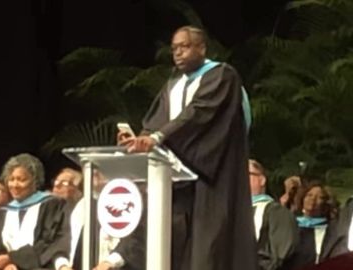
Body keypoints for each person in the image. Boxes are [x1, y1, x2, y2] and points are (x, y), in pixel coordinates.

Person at [118, 26, 257, 270]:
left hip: (211, 177)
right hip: (174, 180)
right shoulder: (174, 83)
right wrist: (139, 140)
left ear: (202, 48)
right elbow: (156, 121)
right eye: (174, 49)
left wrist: (159, 137)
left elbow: (200, 113)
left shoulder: (222, 75)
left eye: (184, 47)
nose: (178, 53)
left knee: (208, 250)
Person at [0, 153, 70, 270]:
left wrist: (13, 258)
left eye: (22, 180)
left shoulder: (51, 206)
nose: (15, 185)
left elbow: (49, 243)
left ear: (35, 181)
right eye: (11, 179)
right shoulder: (2, 213)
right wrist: (6, 264)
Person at [249, 159, 298, 270]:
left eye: (245, 174)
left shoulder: (277, 212)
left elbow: (280, 254)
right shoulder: (231, 211)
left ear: (261, 180)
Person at [285, 181, 344, 269]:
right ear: (302, 198)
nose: (313, 199)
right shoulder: (290, 224)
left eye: (319, 197)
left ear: (325, 203)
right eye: (309, 195)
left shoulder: (331, 229)